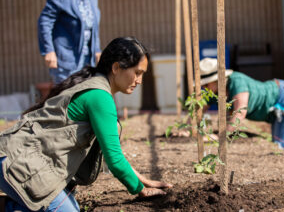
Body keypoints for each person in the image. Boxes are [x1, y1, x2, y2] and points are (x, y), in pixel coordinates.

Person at [0, 37, 172, 212]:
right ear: (116, 68)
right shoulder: (100, 97)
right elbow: (115, 160)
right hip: (17, 161)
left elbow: (111, 153)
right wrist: (141, 190)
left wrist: (143, 180)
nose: (140, 80)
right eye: (137, 72)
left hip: (23, 157)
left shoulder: (95, 86)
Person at [38, 0, 104, 84]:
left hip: (87, 60)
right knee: (68, 96)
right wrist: (48, 50)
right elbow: (45, 21)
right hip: (67, 60)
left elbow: (93, 25)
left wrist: (96, 49)